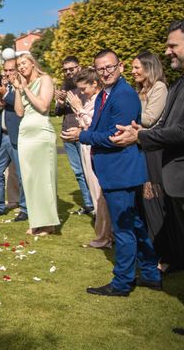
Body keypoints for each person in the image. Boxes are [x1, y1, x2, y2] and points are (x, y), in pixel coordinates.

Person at [63, 49, 160, 297]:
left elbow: (117, 137)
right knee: (134, 223)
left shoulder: (124, 95)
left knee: (123, 228)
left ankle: (122, 282)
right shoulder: (110, 93)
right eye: (100, 68)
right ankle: (150, 273)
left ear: (121, 66)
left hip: (121, 170)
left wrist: (82, 135)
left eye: (110, 67)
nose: (106, 72)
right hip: (117, 170)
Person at [112, 20, 184, 274]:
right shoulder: (178, 84)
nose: (167, 52)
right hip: (167, 167)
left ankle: (172, 256)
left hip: (170, 165)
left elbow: (173, 127)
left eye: (173, 45)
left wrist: (140, 135)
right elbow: (164, 122)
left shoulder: (163, 87)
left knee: (159, 208)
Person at [131, 51, 174, 266]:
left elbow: (148, 119)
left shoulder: (159, 88)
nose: (133, 71)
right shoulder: (141, 91)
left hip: (153, 152)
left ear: (149, 67)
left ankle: (165, 255)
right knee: (144, 203)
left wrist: (129, 115)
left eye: (137, 67)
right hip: (141, 149)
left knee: (154, 201)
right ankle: (152, 252)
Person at [13, 53, 58, 236]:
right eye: (18, 65)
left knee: (44, 178)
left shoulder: (45, 79)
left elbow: (43, 106)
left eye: (24, 63)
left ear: (32, 63)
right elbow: (19, 111)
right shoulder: (23, 86)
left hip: (41, 133)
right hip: (25, 134)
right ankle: (36, 220)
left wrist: (26, 89)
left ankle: (48, 223)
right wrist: (18, 89)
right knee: (29, 178)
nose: (21, 67)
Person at [66, 68, 112, 248]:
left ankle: (104, 236)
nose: (82, 92)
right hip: (86, 147)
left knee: (99, 194)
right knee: (96, 194)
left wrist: (78, 109)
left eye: (84, 88)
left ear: (95, 83)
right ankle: (106, 233)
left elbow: (93, 125)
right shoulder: (92, 100)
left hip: (94, 147)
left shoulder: (101, 100)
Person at [0, 58, 28, 221]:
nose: (8, 73)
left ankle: (25, 208)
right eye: (6, 70)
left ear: (17, 71)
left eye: (11, 70)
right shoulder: (2, 88)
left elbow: (21, 108)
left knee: (21, 174)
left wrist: (6, 96)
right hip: (1, 136)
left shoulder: (22, 87)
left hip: (17, 136)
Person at [54, 56, 93, 215]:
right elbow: (57, 112)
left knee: (89, 170)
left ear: (79, 67)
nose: (68, 72)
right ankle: (89, 204)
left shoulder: (86, 85)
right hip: (67, 133)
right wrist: (61, 102)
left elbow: (89, 108)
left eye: (71, 68)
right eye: (65, 70)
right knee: (78, 171)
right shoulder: (65, 86)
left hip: (82, 132)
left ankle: (96, 203)